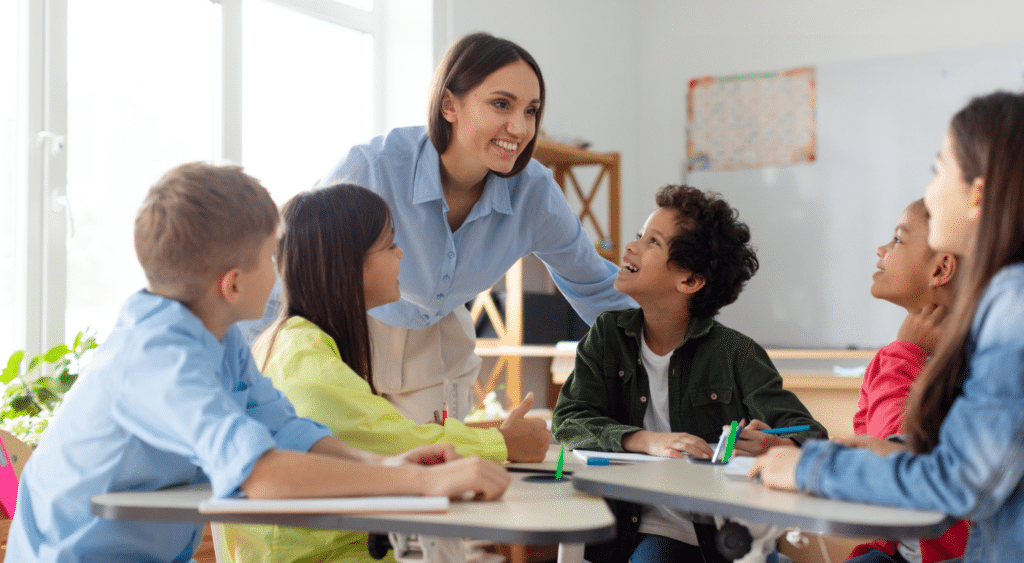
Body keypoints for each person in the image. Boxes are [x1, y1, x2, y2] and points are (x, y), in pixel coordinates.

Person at [4, 162, 511, 563]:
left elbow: (285, 429)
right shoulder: (156, 358)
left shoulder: (216, 339)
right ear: (233, 284)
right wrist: (419, 483)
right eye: (271, 257)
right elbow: (260, 473)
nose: (280, 271)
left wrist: (383, 464)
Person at [247, 31, 635, 423]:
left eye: (531, 111)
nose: (519, 128)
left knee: (436, 463)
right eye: (501, 104)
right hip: (354, 326)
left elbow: (596, 285)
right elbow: (286, 277)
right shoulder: (371, 169)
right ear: (449, 104)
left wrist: (676, 337)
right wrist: (242, 375)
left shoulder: (534, 194)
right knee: (340, 455)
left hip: (439, 340)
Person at [750, 91, 1024, 563]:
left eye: (938, 170)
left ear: (977, 194)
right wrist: (875, 452)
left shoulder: (1013, 305)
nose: (931, 192)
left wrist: (812, 467)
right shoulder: (1000, 304)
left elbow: (958, 482)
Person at [217, 183, 550, 563]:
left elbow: (375, 431)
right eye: (390, 245)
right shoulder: (300, 356)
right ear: (349, 264)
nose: (401, 253)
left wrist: (498, 434)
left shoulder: (301, 344)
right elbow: (386, 441)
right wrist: (503, 445)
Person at [552, 184, 826, 563]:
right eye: (639, 236)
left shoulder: (737, 354)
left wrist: (774, 445)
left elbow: (810, 436)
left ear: (690, 281)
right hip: (628, 532)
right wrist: (642, 440)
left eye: (652, 242)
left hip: (710, 539)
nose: (631, 248)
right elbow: (567, 420)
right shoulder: (607, 337)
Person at [845, 199, 969, 563]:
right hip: (892, 550)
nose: (881, 249)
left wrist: (907, 353)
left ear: (941, 268)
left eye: (898, 240)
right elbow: (865, 453)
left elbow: (892, 457)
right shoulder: (890, 358)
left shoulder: (974, 361)